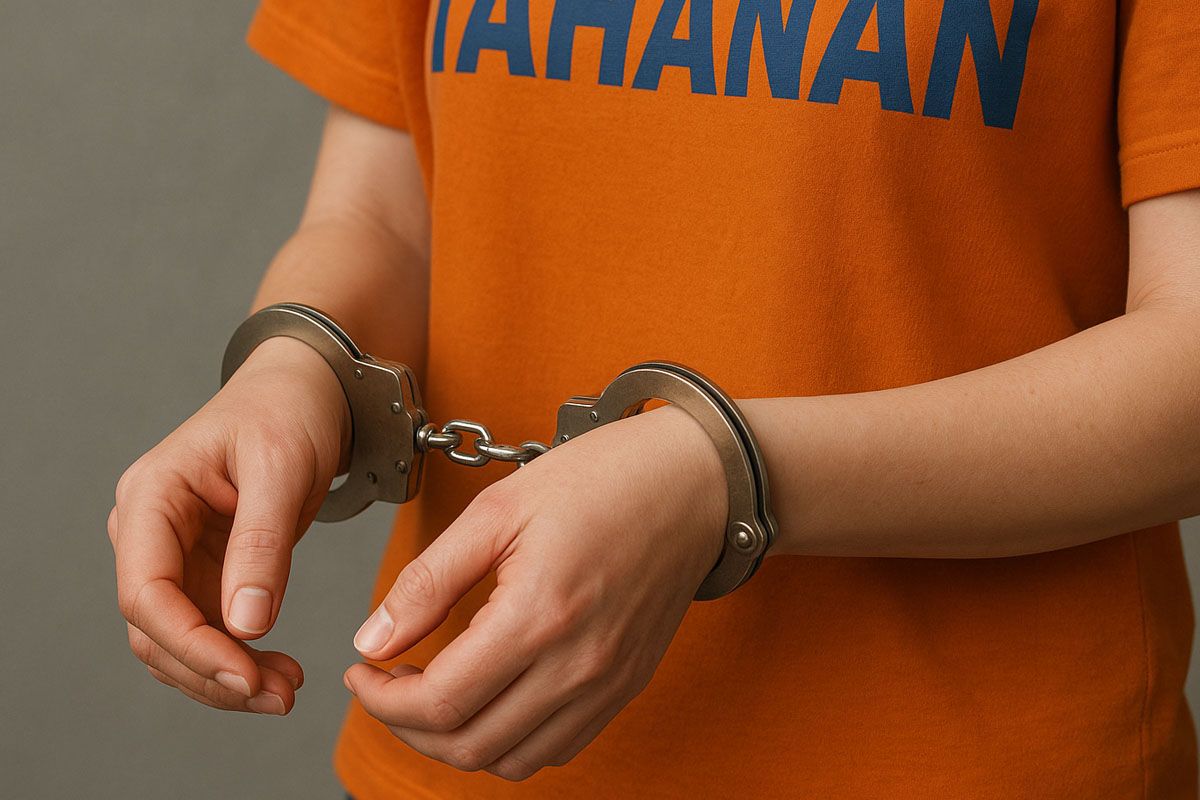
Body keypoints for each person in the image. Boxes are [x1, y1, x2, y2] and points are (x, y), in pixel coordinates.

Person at [108, 0, 1200, 796]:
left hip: (962, 762)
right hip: (474, 760)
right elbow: (384, 218)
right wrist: (295, 364)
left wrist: (718, 476)